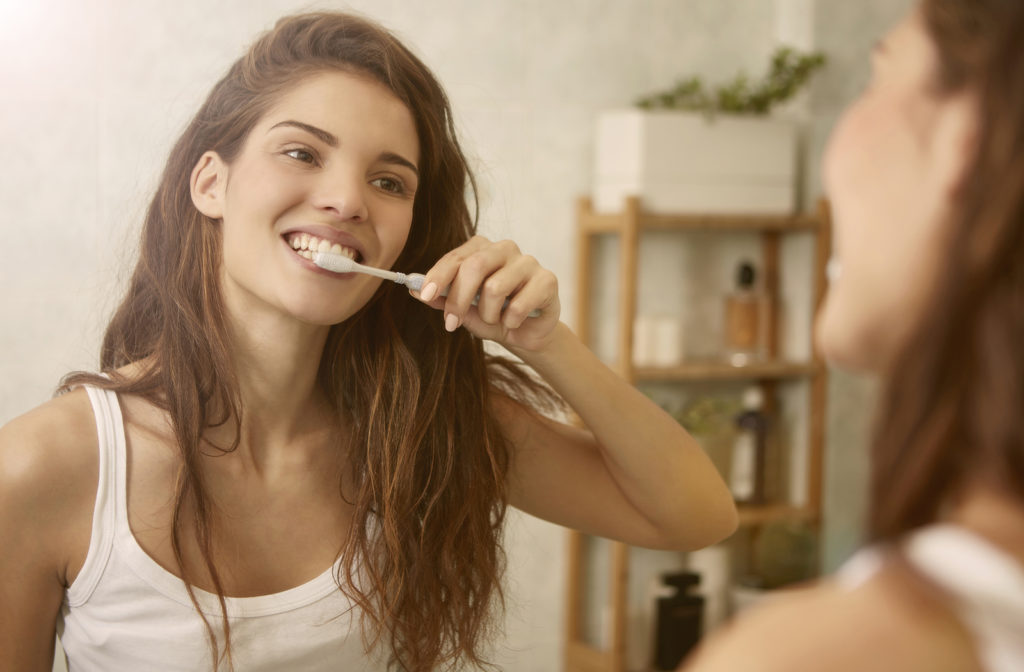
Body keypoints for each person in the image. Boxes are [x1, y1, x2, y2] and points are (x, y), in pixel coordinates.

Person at [0, 11, 737, 672]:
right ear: (210, 184)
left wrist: (546, 344)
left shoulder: (424, 426)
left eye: (389, 182)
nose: (348, 199)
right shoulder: (48, 467)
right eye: (301, 153)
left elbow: (695, 516)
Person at [683, 1, 1024, 671]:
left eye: (875, 79)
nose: (830, 156)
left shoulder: (827, 655)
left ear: (968, 135)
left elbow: (689, 512)